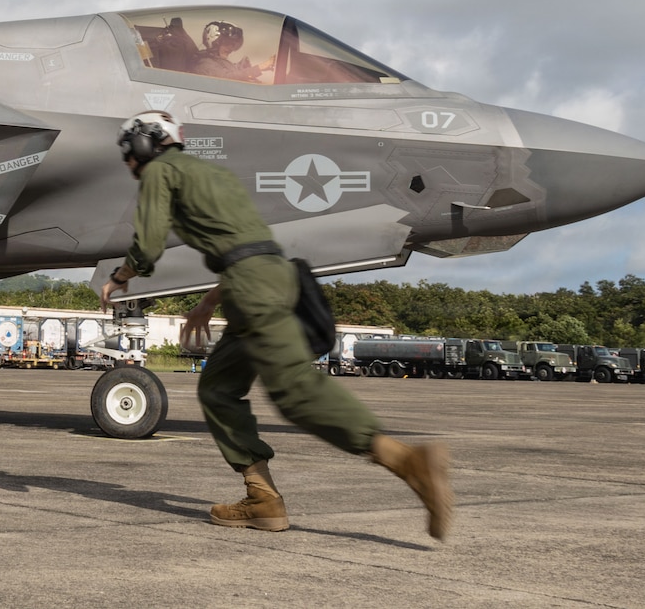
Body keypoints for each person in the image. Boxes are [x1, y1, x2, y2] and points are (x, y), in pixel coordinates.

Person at [100, 110, 452, 540]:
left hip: (252, 288)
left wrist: (120, 277)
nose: (127, 164)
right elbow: (241, 244)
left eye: (127, 154)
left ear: (143, 145)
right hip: (264, 277)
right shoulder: (213, 175)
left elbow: (149, 245)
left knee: (295, 393)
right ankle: (263, 498)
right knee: (217, 388)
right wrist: (208, 303)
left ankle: (405, 460)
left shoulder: (161, 171)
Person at [190, 21, 276, 82]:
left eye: (233, 44)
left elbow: (225, 71)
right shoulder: (204, 64)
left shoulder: (216, 61)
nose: (231, 48)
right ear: (215, 42)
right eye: (227, 43)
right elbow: (227, 77)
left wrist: (241, 67)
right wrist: (259, 67)